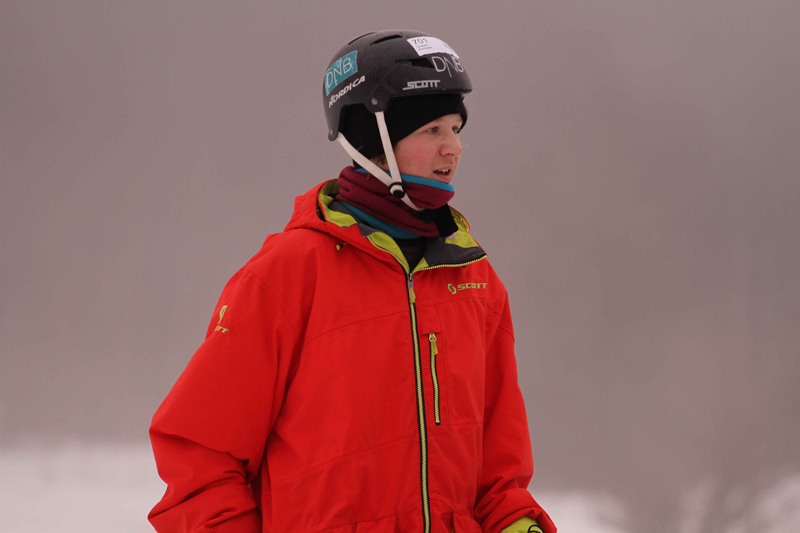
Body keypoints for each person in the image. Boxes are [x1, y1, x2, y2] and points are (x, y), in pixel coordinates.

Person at [148, 29, 556, 533]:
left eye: (456, 128)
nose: (454, 148)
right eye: (432, 130)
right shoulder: (289, 274)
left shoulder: (473, 279)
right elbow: (201, 461)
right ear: (372, 138)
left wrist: (518, 523)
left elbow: (499, 476)